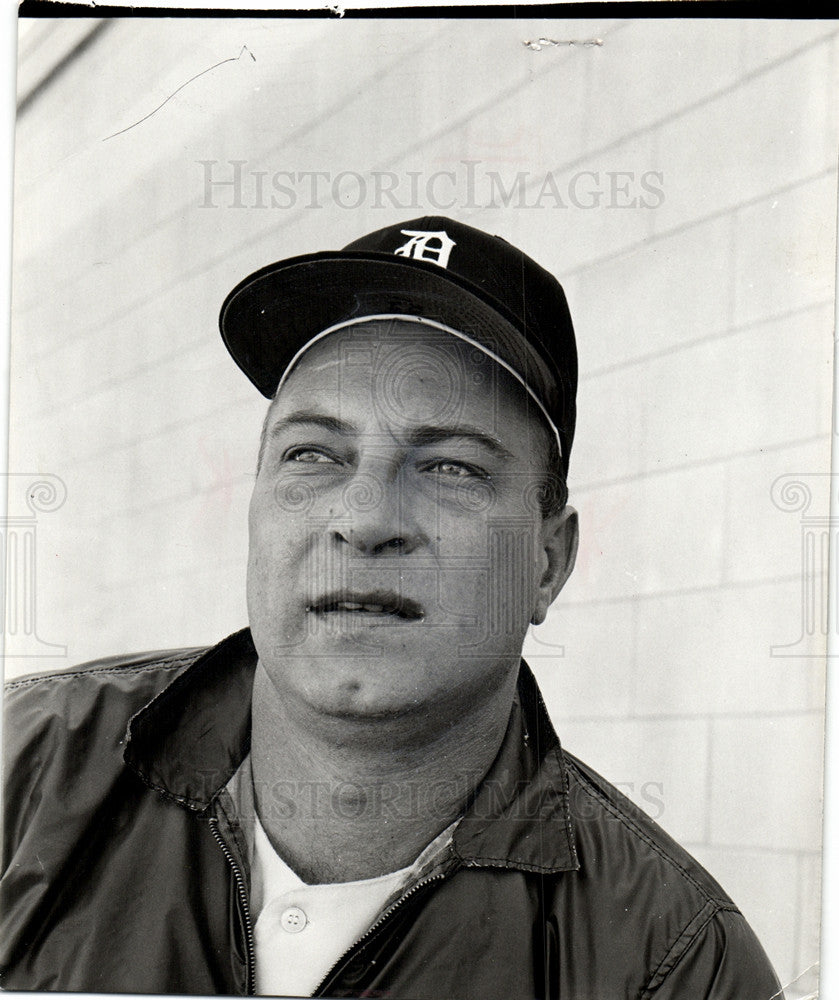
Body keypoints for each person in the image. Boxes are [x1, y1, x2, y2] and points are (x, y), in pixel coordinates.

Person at [1, 217, 783, 998]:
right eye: (313, 454)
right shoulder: (24, 771)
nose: (365, 518)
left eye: (451, 466)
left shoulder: (675, 963)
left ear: (547, 562)